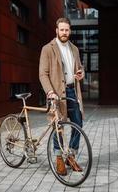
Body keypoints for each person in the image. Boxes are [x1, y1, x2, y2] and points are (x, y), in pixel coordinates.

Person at [39, 17, 85, 175]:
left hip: (72, 91)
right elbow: (43, 74)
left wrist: (81, 73)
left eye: (67, 30)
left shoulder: (75, 49)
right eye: (62, 30)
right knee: (58, 126)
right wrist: (50, 92)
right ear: (56, 30)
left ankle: (70, 156)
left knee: (78, 123)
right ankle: (59, 158)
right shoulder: (47, 49)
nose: (64, 33)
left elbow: (79, 68)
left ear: (69, 31)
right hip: (56, 93)